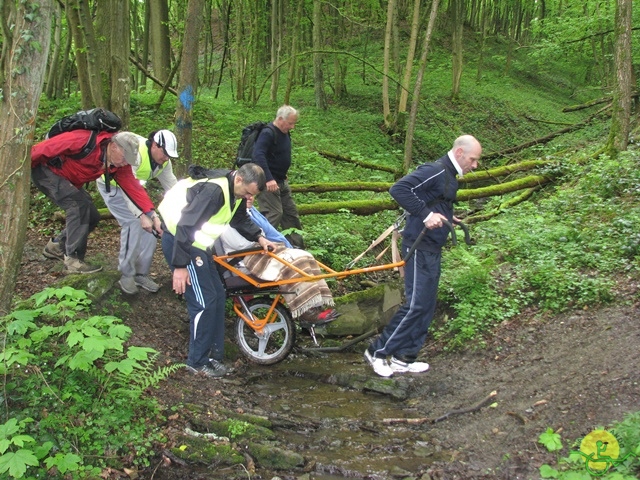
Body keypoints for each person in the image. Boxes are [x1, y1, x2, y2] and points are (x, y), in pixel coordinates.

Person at [364, 135, 482, 377]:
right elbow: (399, 189)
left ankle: (404, 357)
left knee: (426, 304)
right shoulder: (436, 170)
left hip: (433, 247)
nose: (475, 165)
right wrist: (427, 215)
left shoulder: (450, 176)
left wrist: (448, 216)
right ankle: (377, 352)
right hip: (418, 245)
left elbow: (434, 200)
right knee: (416, 304)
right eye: (473, 159)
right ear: (459, 153)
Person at [158, 163, 273, 378]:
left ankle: (213, 357)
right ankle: (197, 362)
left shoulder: (236, 192)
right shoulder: (215, 191)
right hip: (181, 243)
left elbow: (239, 219)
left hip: (198, 247)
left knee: (219, 296)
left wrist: (259, 236)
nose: (248, 198)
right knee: (204, 302)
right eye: (248, 193)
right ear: (239, 179)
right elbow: (186, 225)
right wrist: (180, 267)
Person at [32, 130, 162, 274]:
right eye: (125, 157)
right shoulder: (84, 141)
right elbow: (43, 149)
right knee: (78, 205)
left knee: (92, 215)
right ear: (113, 146)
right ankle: (73, 261)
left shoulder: (117, 164)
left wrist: (151, 214)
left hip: (67, 179)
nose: (126, 162)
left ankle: (57, 246)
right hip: (45, 171)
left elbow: (134, 189)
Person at [218, 198, 339, 324]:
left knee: (305, 256)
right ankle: (306, 311)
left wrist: (264, 240)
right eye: (246, 194)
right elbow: (240, 245)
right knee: (293, 263)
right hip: (245, 259)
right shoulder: (226, 219)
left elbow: (264, 233)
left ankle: (315, 305)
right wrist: (261, 240)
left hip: (261, 251)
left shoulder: (249, 214)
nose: (249, 198)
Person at [96, 130, 179, 294]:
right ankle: (125, 273)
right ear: (155, 145)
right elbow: (128, 188)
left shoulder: (164, 163)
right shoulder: (136, 155)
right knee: (133, 223)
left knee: (153, 227)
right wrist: (142, 215)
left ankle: (141, 273)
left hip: (134, 193)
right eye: (165, 153)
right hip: (112, 186)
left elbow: (173, 188)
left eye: (170, 155)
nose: (166, 158)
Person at [251, 105, 305, 248]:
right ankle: (259, 245)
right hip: (268, 182)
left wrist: (282, 172)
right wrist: (268, 178)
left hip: (281, 181)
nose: (292, 127)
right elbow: (258, 155)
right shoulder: (268, 133)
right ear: (280, 119)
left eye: (294, 123)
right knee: (274, 213)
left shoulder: (285, 133)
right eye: (290, 123)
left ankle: (296, 247)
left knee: (291, 214)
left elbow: (279, 154)